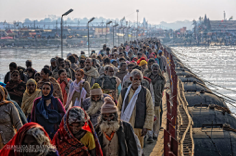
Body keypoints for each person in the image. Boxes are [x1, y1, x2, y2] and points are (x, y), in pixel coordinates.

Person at [117, 69, 154, 152]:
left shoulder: (145, 92)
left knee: (138, 149)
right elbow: (118, 108)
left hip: (139, 127)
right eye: (136, 79)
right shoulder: (124, 92)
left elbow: (150, 110)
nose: (138, 81)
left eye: (140, 79)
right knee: (126, 148)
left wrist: (146, 126)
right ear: (131, 79)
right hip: (125, 125)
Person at [147, 63, 166, 141]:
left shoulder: (162, 79)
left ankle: (155, 133)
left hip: (157, 100)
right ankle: (150, 134)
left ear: (158, 70)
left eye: (156, 69)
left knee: (157, 118)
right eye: (154, 69)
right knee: (149, 117)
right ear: (151, 69)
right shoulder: (147, 78)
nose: (155, 70)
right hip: (149, 101)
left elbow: (162, 90)